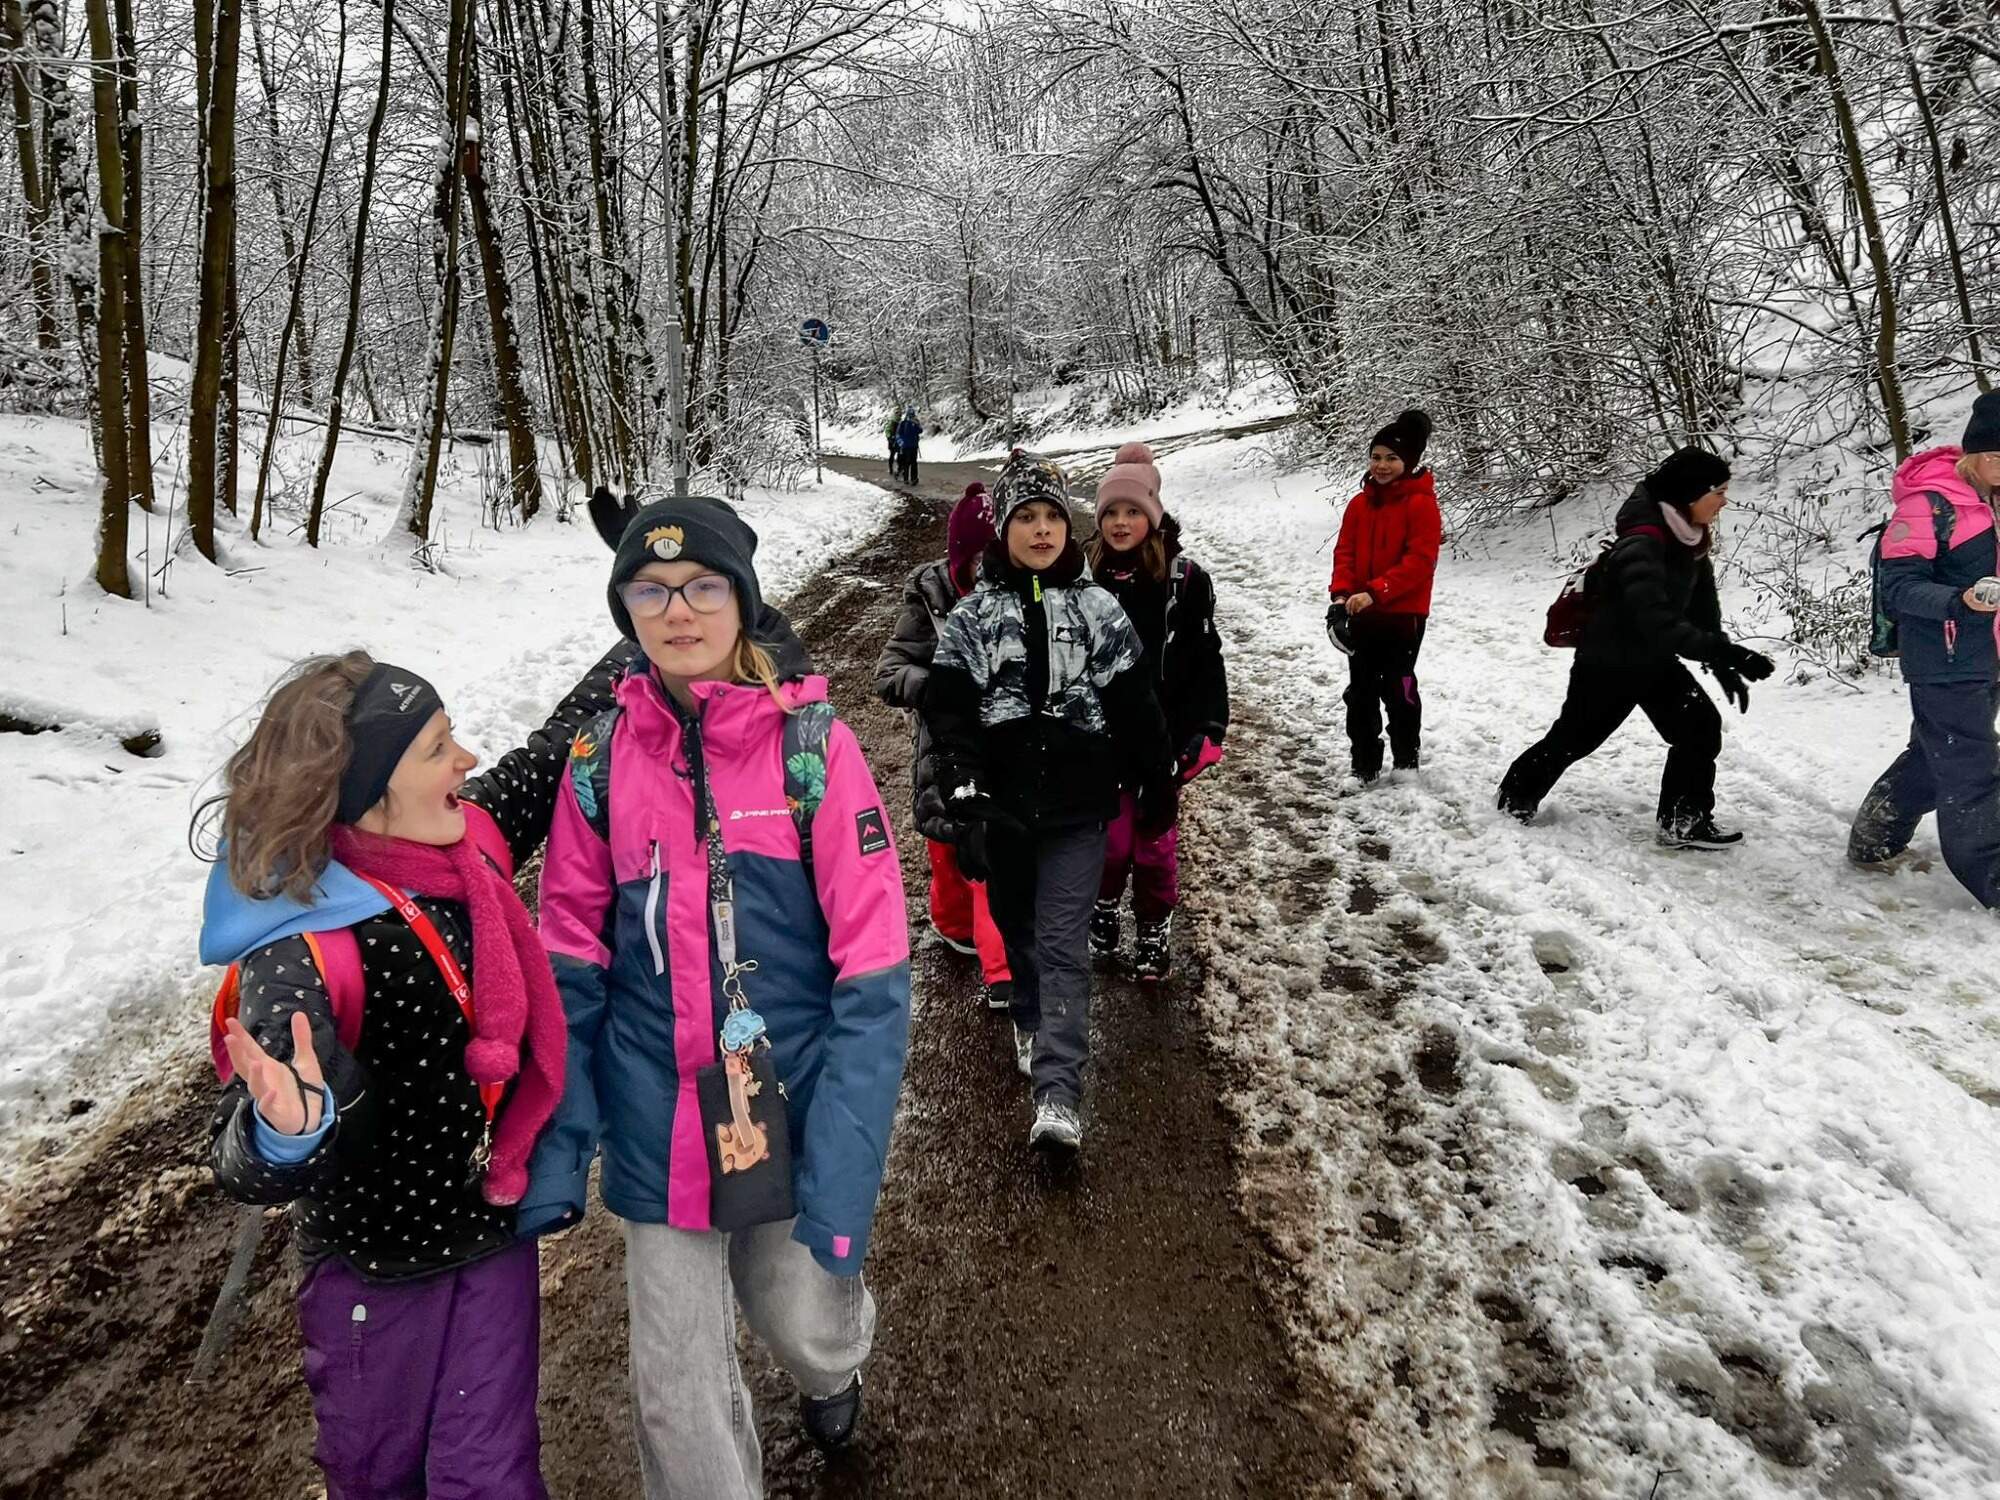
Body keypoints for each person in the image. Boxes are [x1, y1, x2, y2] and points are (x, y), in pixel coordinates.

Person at [524, 495, 911, 1498]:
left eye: (700, 586)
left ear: (740, 598)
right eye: (648, 591)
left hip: (788, 1097)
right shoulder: (596, 764)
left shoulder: (810, 750)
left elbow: (873, 969)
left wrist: (846, 1144)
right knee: (674, 1387)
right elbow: (568, 959)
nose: (676, 612)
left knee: (801, 1318)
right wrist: (559, 1139)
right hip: (657, 1110)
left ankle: (835, 1365)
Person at [198, 652, 592, 1500]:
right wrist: (286, 1127)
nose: (469, 760)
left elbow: (554, 750)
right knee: (382, 1482)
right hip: (371, 1276)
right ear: (370, 790)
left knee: (494, 1476)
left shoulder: (462, 844)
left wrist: (648, 617)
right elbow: (237, 1162)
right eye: (439, 748)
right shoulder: (300, 945)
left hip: (491, 1239)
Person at [922, 450, 1171, 1151]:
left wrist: (1157, 782)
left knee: (1063, 944)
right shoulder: (974, 618)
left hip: (1077, 807)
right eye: (1025, 518)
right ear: (1003, 531)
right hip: (1002, 810)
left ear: (1069, 527)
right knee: (1020, 932)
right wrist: (965, 795)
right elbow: (950, 715)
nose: (1040, 531)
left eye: (1051, 518)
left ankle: (1059, 1095)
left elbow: (1135, 703)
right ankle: (1029, 1015)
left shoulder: (1099, 610)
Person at [1497, 446, 1774, 847]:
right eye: (1719, 491)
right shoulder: (1643, 544)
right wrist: (1724, 654)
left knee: (1699, 728)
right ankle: (1514, 799)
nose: (1724, 501)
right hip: (1608, 662)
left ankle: (1683, 822)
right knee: (1575, 738)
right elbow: (1657, 621)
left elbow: (1701, 613)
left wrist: (1721, 659)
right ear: (1691, 494)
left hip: (1651, 661)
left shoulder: (1689, 539)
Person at [1083, 442, 1229, 982]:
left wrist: (1208, 726)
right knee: (1109, 843)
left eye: (1133, 511)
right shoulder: (1082, 575)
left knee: (1154, 845)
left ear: (1153, 514)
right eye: (1111, 513)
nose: (1121, 523)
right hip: (1099, 741)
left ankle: (1151, 925)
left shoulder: (1183, 581)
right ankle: (1101, 910)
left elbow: (1205, 659)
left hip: (1161, 740)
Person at [1848, 392, 2000, 904]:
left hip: (1989, 656)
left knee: (1938, 755)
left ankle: (1874, 838)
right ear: (1976, 454)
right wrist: (1960, 600)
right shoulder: (1927, 503)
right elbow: (1900, 586)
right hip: (1945, 658)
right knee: (1971, 768)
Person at [876, 481, 1014, 1006]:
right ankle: (952, 925)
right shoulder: (929, 597)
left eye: (990, 554)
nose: (982, 568)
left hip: (998, 756)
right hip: (940, 753)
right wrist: (936, 687)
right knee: (946, 852)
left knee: (988, 858)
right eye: (972, 556)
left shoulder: (1017, 594)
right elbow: (889, 672)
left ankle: (1000, 964)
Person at [1326, 409, 1442, 781]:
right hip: (1361, 613)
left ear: (1408, 462)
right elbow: (1344, 553)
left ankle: (1406, 757)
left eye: (1392, 458)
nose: (1382, 465)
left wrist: (1377, 591)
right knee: (1360, 691)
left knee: (1398, 687)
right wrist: (1340, 599)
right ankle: (1364, 763)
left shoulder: (1421, 504)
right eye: (1376, 457)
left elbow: (1420, 561)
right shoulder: (1359, 505)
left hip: (1402, 614)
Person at [896, 406, 923, 486]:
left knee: (906, 463)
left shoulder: (903, 423)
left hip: (907, 446)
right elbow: (920, 430)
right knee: (913, 462)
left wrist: (901, 443)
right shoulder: (913, 423)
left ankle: (906, 479)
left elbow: (898, 434)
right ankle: (913, 479)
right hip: (913, 445)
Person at [885, 406, 901, 475]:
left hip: (899, 441)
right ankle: (891, 468)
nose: (898, 414)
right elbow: (887, 430)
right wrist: (890, 438)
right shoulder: (891, 421)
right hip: (893, 440)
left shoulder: (900, 421)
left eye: (899, 413)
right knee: (892, 454)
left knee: (899, 455)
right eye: (897, 412)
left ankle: (899, 468)